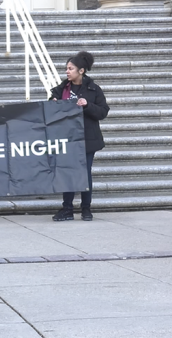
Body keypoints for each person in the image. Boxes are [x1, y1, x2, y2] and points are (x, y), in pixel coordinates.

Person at [50, 51, 109, 221]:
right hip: (66, 138)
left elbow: (103, 112)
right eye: (66, 69)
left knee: (84, 173)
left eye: (70, 68)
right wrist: (53, 104)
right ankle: (67, 209)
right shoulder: (61, 89)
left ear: (81, 71)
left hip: (87, 138)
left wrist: (87, 105)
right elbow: (50, 113)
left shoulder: (93, 89)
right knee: (67, 173)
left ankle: (86, 209)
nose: (67, 72)